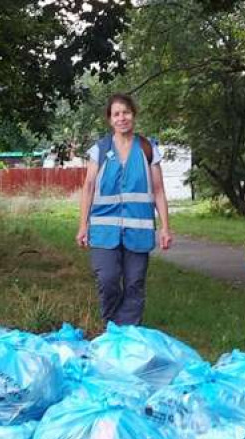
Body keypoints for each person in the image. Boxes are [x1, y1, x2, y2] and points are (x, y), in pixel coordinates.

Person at [76, 93, 172, 326]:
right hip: (103, 231)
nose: (122, 118)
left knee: (134, 284)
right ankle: (112, 328)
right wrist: (82, 225)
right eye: (116, 114)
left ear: (134, 115)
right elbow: (88, 187)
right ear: (110, 120)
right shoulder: (99, 149)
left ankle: (128, 334)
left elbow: (158, 190)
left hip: (138, 230)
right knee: (107, 280)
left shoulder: (147, 148)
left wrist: (165, 228)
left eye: (126, 112)